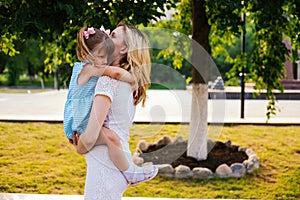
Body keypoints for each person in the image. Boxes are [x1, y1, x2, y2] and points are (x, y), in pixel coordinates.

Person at [64, 25, 157, 187]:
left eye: (112, 35)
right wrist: (135, 79)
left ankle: (131, 172)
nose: (108, 38)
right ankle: (130, 172)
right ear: (86, 55)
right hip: (85, 129)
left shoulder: (106, 80)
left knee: (111, 138)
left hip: (104, 166)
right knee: (111, 138)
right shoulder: (96, 70)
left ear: (125, 48)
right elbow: (115, 72)